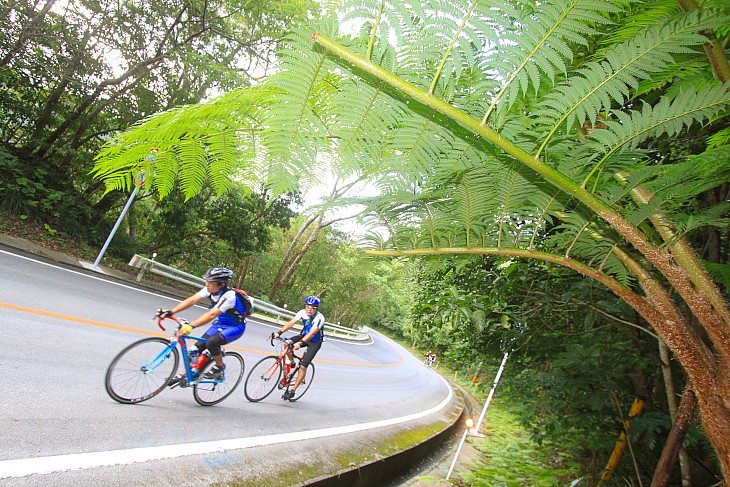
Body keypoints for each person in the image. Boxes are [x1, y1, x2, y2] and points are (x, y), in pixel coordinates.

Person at [157, 266, 248, 383]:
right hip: (220, 324)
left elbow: (212, 314)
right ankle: (185, 375)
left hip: (235, 327)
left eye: (210, 282)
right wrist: (171, 311)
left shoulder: (229, 296)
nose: (207, 284)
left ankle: (219, 367)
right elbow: (192, 300)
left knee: (212, 342)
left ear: (221, 284)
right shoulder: (210, 290)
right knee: (197, 347)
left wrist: (191, 326)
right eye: (207, 281)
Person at [272, 296, 325, 401]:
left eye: (313, 308)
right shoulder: (302, 312)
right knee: (286, 344)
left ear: (316, 309)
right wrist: (279, 333)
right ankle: (292, 362)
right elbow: (290, 323)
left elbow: (312, 333)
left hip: (314, 342)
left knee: (303, 366)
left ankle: (293, 390)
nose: (309, 309)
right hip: (303, 336)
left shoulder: (320, 318)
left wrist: (300, 343)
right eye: (308, 307)